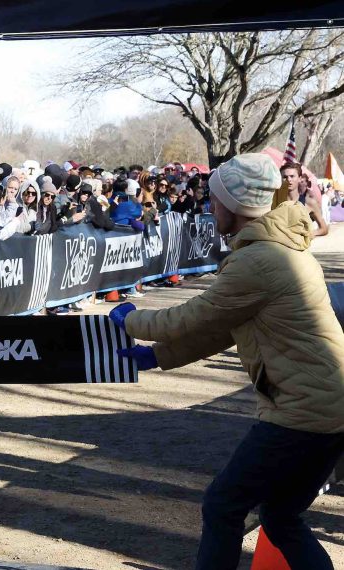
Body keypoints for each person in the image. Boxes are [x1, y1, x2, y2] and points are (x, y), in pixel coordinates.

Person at [110, 153, 344, 569]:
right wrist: (161, 355)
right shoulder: (279, 249)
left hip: (300, 412)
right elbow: (221, 328)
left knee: (223, 505)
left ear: (235, 205)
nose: (208, 206)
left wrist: (134, 321)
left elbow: (192, 315)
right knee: (280, 514)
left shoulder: (259, 260)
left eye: (215, 200)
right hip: (328, 407)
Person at [279, 163, 331, 238]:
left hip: (299, 247)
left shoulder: (309, 202)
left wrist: (310, 234)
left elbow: (324, 228)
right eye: (285, 177)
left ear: (299, 178)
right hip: (277, 247)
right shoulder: (274, 201)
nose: (288, 179)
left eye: (292, 176)